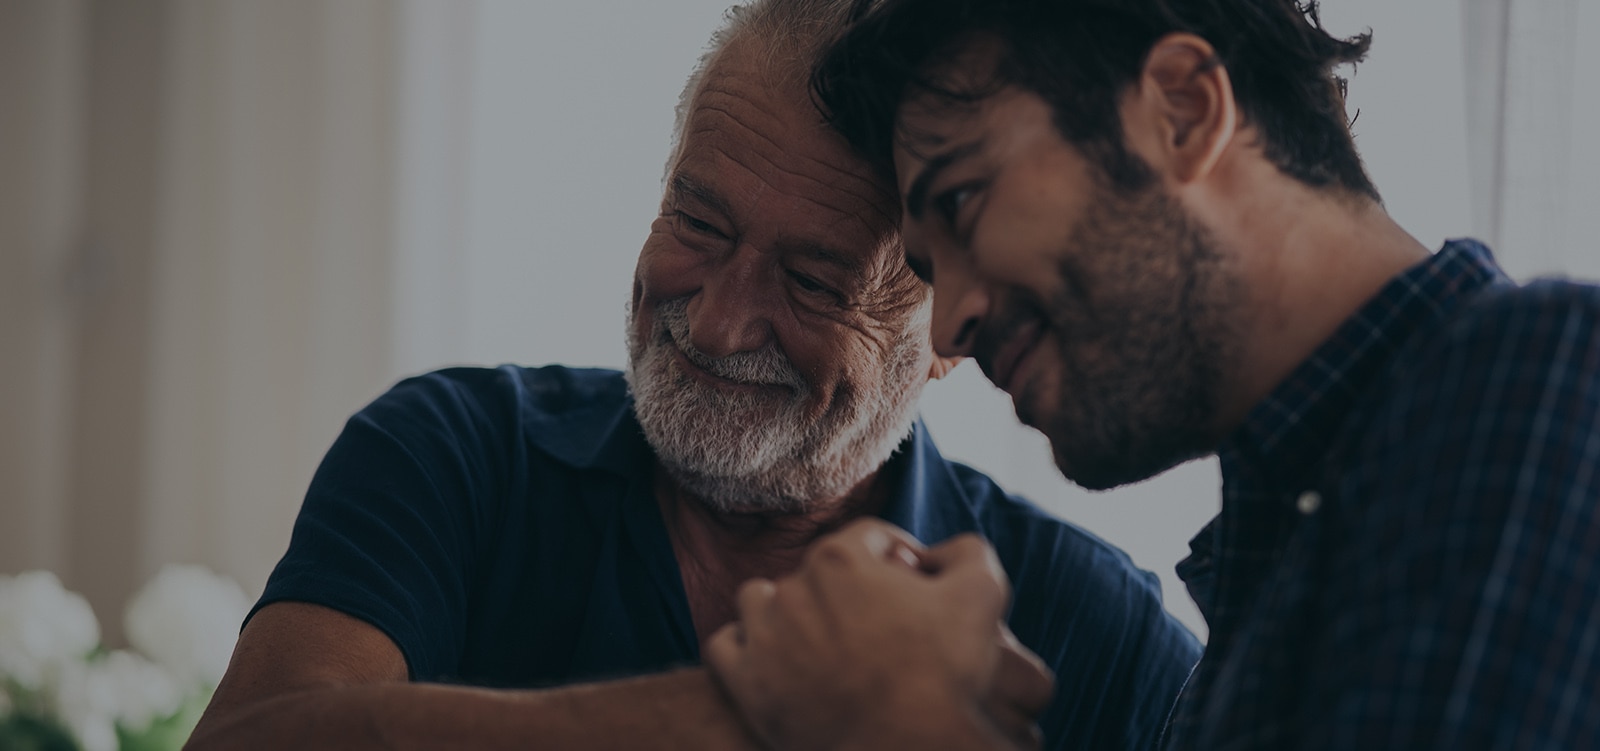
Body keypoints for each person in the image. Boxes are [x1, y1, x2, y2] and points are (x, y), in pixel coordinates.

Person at [184, 1, 1202, 749]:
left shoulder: (1085, 628)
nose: (716, 320)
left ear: (951, 330)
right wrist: (765, 714)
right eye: (698, 223)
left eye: (814, 280)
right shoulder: (457, 450)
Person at [705, 0, 1600, 749]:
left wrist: (919, 726)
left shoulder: (1546, 376)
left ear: (1182, 110)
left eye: (964, 199)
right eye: (931, 272)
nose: (953, 323)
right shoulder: (1258, 593)